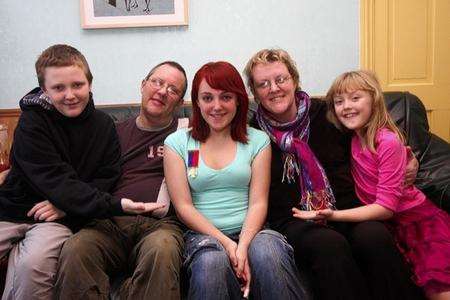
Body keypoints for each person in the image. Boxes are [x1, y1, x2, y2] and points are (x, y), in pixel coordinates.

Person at [244, 48, 425, 300]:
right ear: (255, 93)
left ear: (294, 80)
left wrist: (409, 156)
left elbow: (371, 132)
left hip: (348, 210)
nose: (274, 88)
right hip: (295, 220)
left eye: (280, 79)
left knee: (374, 236)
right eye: (263, 84)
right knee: (329, 245)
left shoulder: (327, 114)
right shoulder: (254, 135)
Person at [0, 44, 153, 300]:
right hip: (11, 210)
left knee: (33, 265)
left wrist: (68, 207)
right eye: (58, 88)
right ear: (45, 90)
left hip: (59, 219)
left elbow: (107, 177)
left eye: (77, 85)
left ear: (90, 84)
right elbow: (53, 179)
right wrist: (111, 204)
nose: (70, 95)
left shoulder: (104, 126)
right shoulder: (31, 122)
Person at [294, 70, 450, 300]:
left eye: (355, 98)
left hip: (416, 221)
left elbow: (386, 207)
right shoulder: (352, 136)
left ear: (374, 100)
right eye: (339, 102)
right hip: (390, 226)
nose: (346, 106)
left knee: (437, 287)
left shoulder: (387, 141)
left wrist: (333, 215)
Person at [164, 61, 309, 300]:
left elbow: (258, 202)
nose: (217, 106)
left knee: (268, 253)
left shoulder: (257, 141)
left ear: (239, 100)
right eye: (207, 98)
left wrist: (242, 245)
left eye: (226, 97)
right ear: (197, 102)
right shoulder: (178, 143)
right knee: (211, 262)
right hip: (203, 238)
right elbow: (183, 207)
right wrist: (228, 245)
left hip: (254, 232)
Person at [55, 61, 188, 299]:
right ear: (143, 85)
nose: (162, 91)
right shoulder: (111, 131)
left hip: (161, 225)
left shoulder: (187, 134)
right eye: (157, 82)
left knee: (163, 249)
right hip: (109, 223)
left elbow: (201, 170)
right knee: (76, 248)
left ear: (179, 103)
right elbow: (75, 171)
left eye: (173, 89)